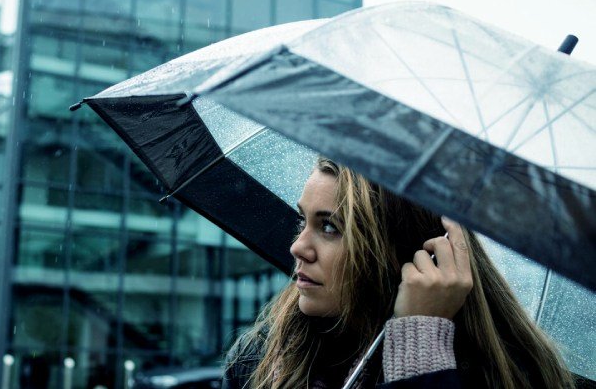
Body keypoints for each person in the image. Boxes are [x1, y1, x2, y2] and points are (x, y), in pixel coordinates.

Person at [222, 157, 574, 388]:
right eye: (304, 219)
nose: (298, 247)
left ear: (408, 252)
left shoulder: (506, 377)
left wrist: (420, 345)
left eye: (330, 227)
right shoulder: (259, 358)